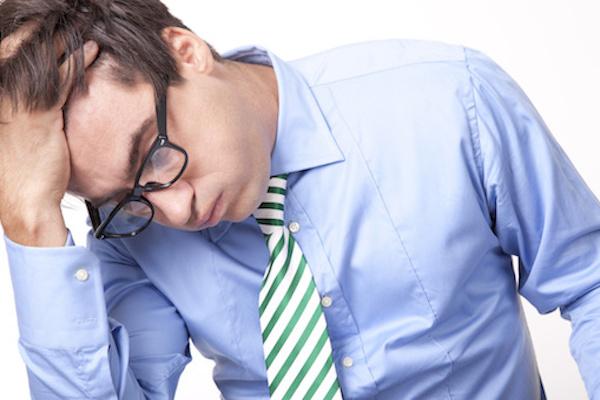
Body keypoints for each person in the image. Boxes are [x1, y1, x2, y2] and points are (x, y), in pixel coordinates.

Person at [1, 0, 599, 399]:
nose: (175, 211)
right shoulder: (131, 233)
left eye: (153, 153)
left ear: (185, 51)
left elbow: (589, 280)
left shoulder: (449, 101)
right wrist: (31, 224)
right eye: (129, 200)